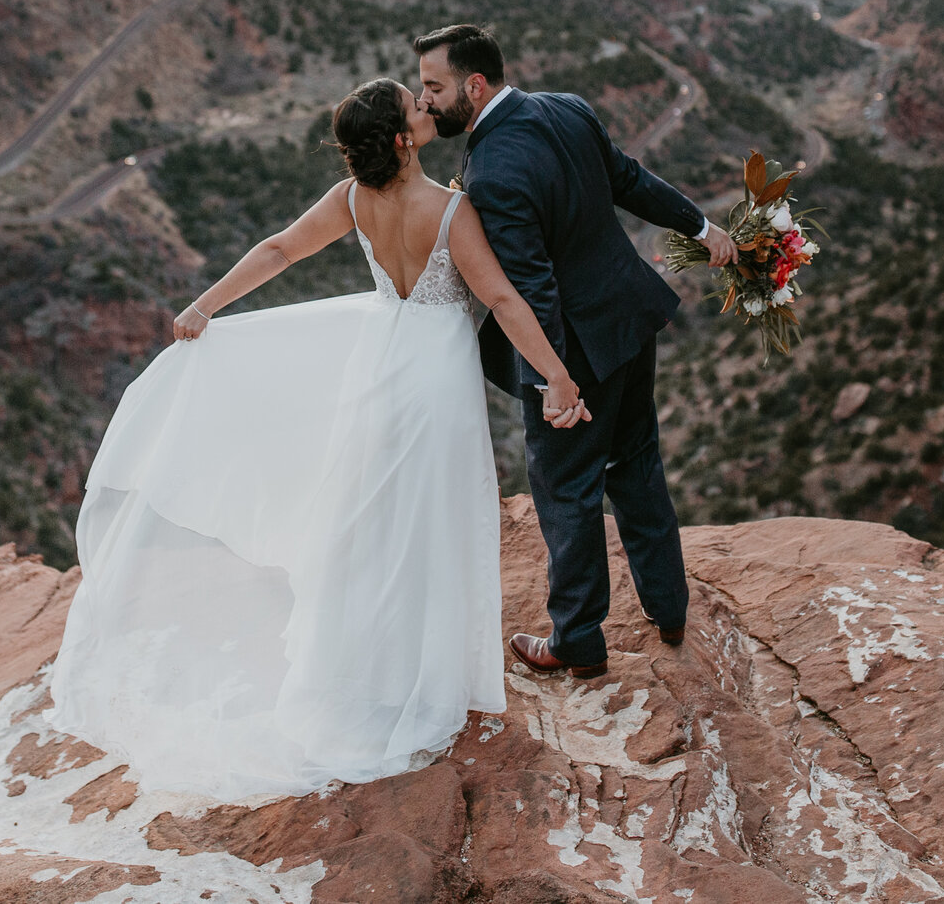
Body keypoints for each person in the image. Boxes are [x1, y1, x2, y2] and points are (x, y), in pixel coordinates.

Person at [49, 77, 590, 797]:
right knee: (431, 522)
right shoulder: (452, 210)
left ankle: (366, 667)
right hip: (435, 383)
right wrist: (557, 376)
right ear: (402, 139)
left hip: (377, 368)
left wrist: (204, 304)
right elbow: (499, 296)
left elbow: (278, 250)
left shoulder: (352, 200)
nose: (425, 108)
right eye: (413, 108)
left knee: (369, 524)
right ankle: (427, 673)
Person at [415, 24, 733, 678]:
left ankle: (579, 640)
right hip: (628, 317)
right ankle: (668, 607)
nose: (426, 102)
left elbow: (531, 288)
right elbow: (631, 180)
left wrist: (552, 379)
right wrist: (699, 224)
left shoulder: (493, 169)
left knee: (567, 489)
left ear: (474, 86)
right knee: (638, 462)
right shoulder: (567, 107)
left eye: (434, 87)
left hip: (573, 347)